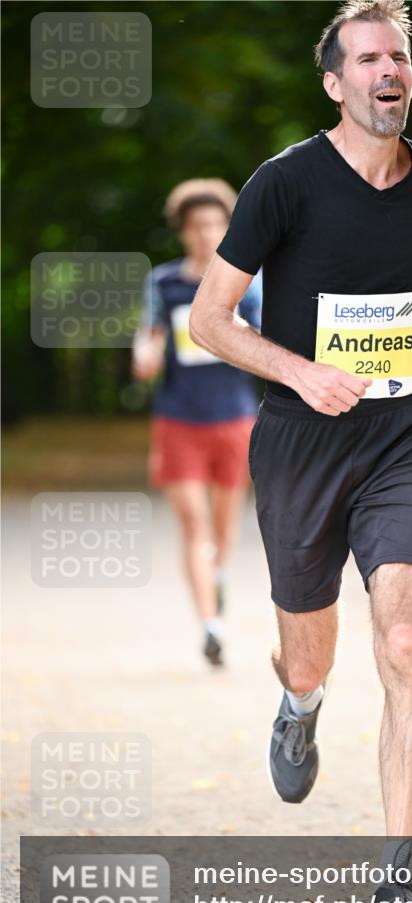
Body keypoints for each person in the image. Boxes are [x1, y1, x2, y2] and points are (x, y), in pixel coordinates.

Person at [190, 0, 412, 903]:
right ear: (335, 81)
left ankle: (397, 883)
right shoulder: (284, 183)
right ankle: (299, 704)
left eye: (396, 57)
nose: (385, 71)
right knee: (309, 647)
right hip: (301, 439)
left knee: (402, 645)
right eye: (365, 59)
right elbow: (210, 319)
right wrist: (300, 371)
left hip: (404, 434)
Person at [132, 179, 262, 667]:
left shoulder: (245, 281)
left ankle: (218, 575)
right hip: (179, 419)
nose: (207, 233)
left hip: (234, 418)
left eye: (215, 224)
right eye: (197, 226)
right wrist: (144, 355)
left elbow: (266, 336)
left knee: (225, 528)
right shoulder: (163, 283)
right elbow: (147, 336)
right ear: (183, 232)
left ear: (227, 228)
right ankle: (210, 624)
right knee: (193, 523)